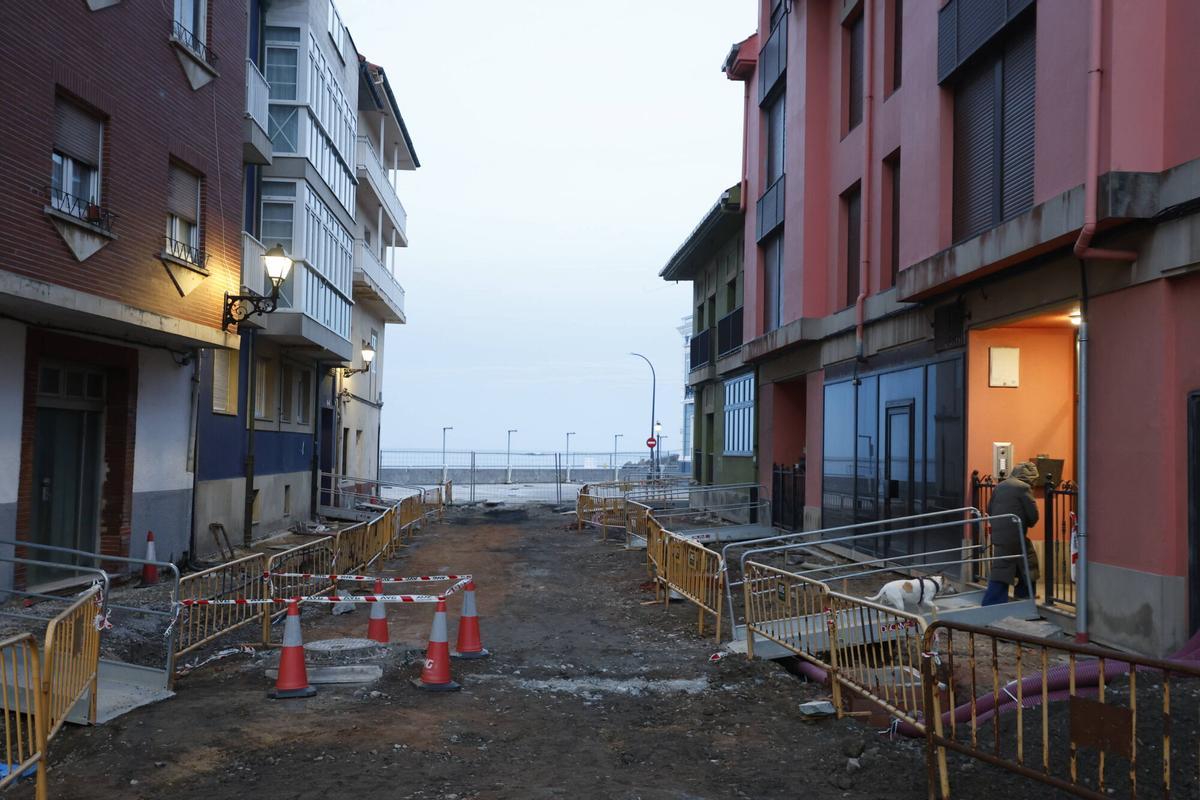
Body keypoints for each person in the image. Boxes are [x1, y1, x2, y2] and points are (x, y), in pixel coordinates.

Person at [983, 461, 1039, 606]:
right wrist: (1029, 522)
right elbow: (1033, 515)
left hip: (999, 534)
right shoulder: (1023, 488)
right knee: (1020, 563)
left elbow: (989, 508)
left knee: (1019, 561)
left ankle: (1024, 594)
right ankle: (993, 602)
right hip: (1015, 534)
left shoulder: (1001, 485)